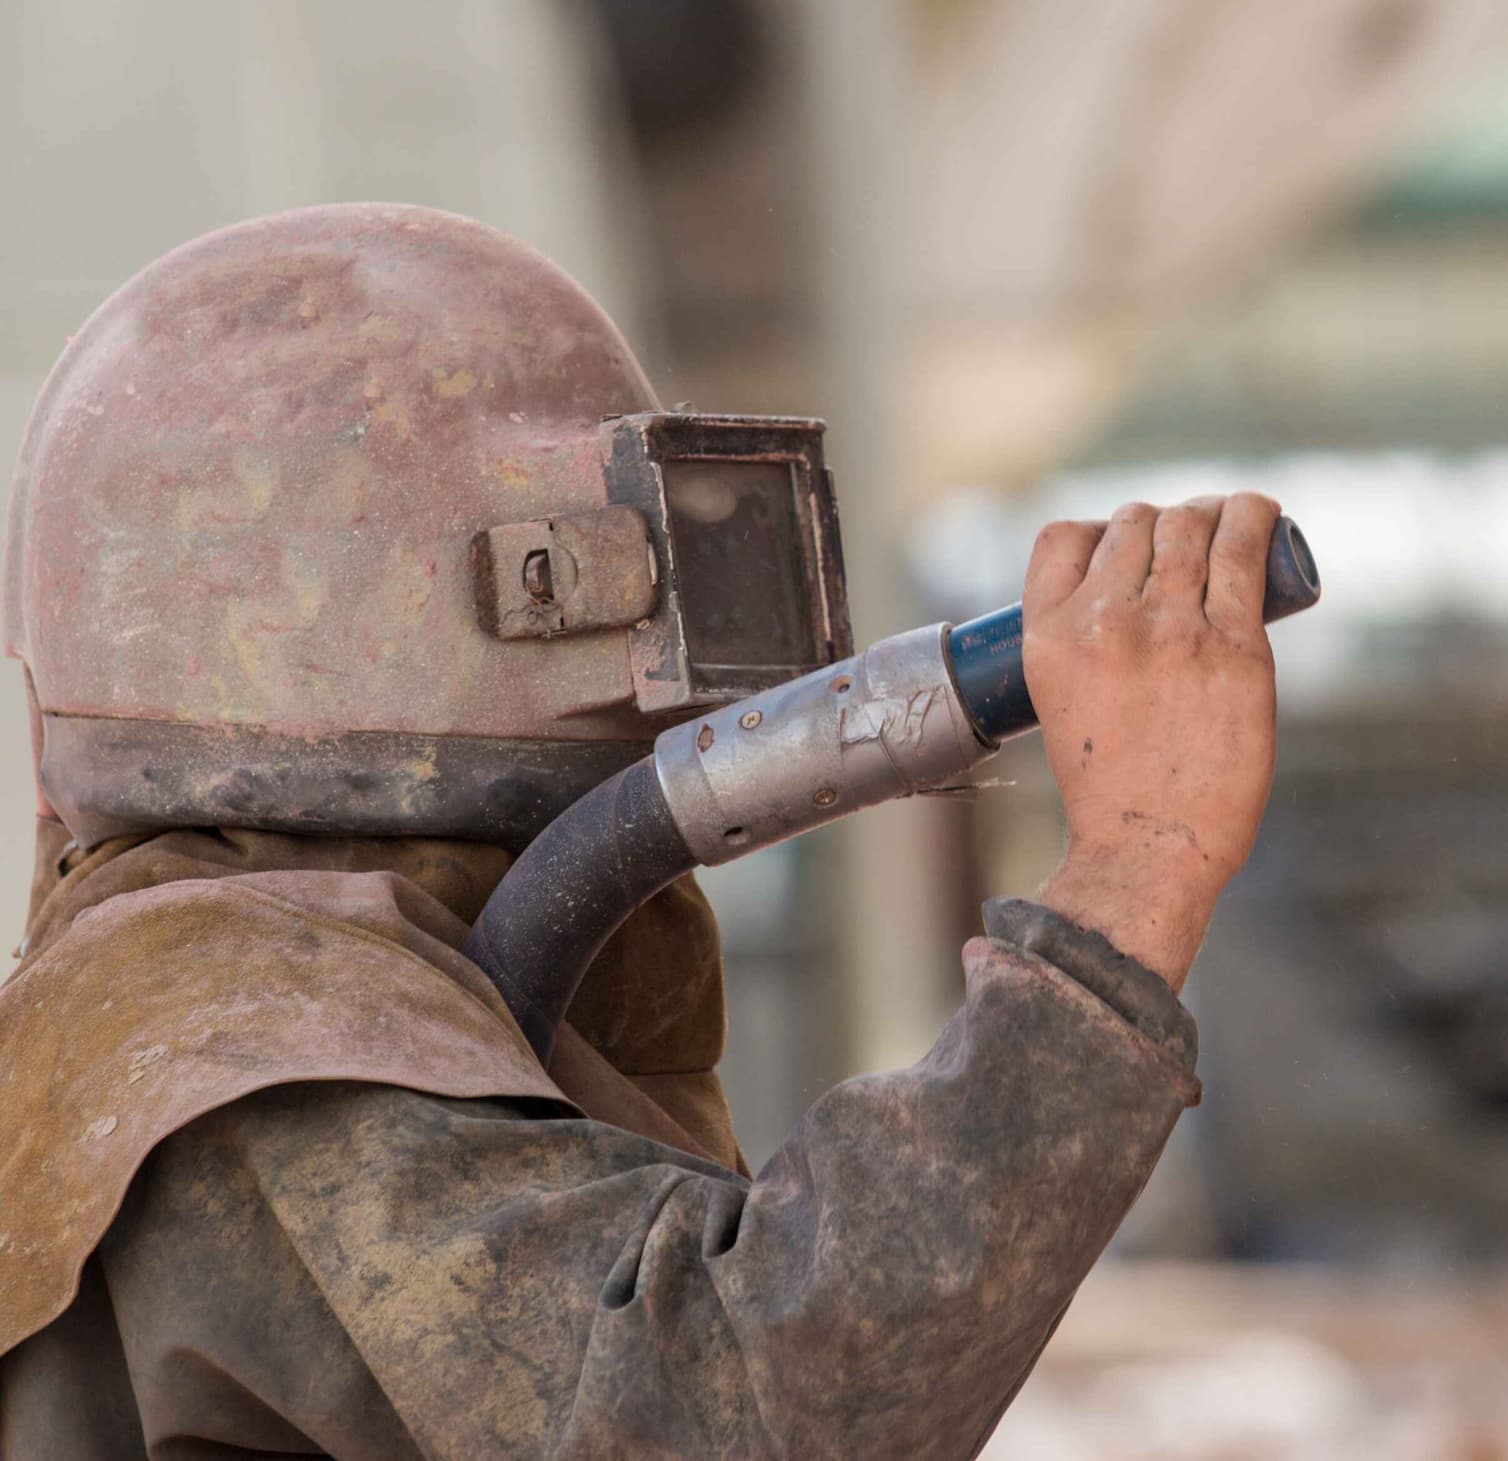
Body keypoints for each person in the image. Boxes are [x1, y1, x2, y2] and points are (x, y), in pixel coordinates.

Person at [0, 203, 1282, 1459]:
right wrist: (1137, 864)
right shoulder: (248, 1034)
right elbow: (729, 1406)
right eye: (617, 559)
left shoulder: (272, 985)